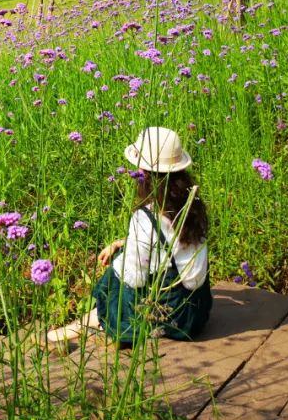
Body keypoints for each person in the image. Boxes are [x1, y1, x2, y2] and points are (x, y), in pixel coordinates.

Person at [49, 126, 212, 347]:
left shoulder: (145, 218)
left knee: (115, 275)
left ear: (144, 173)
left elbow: (134, 279)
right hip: (195, 314)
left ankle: (94, 322)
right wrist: (123, 243)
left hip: (172, 319)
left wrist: (120, 260)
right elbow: (172, 243)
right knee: (128, 254)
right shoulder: (192, 204)